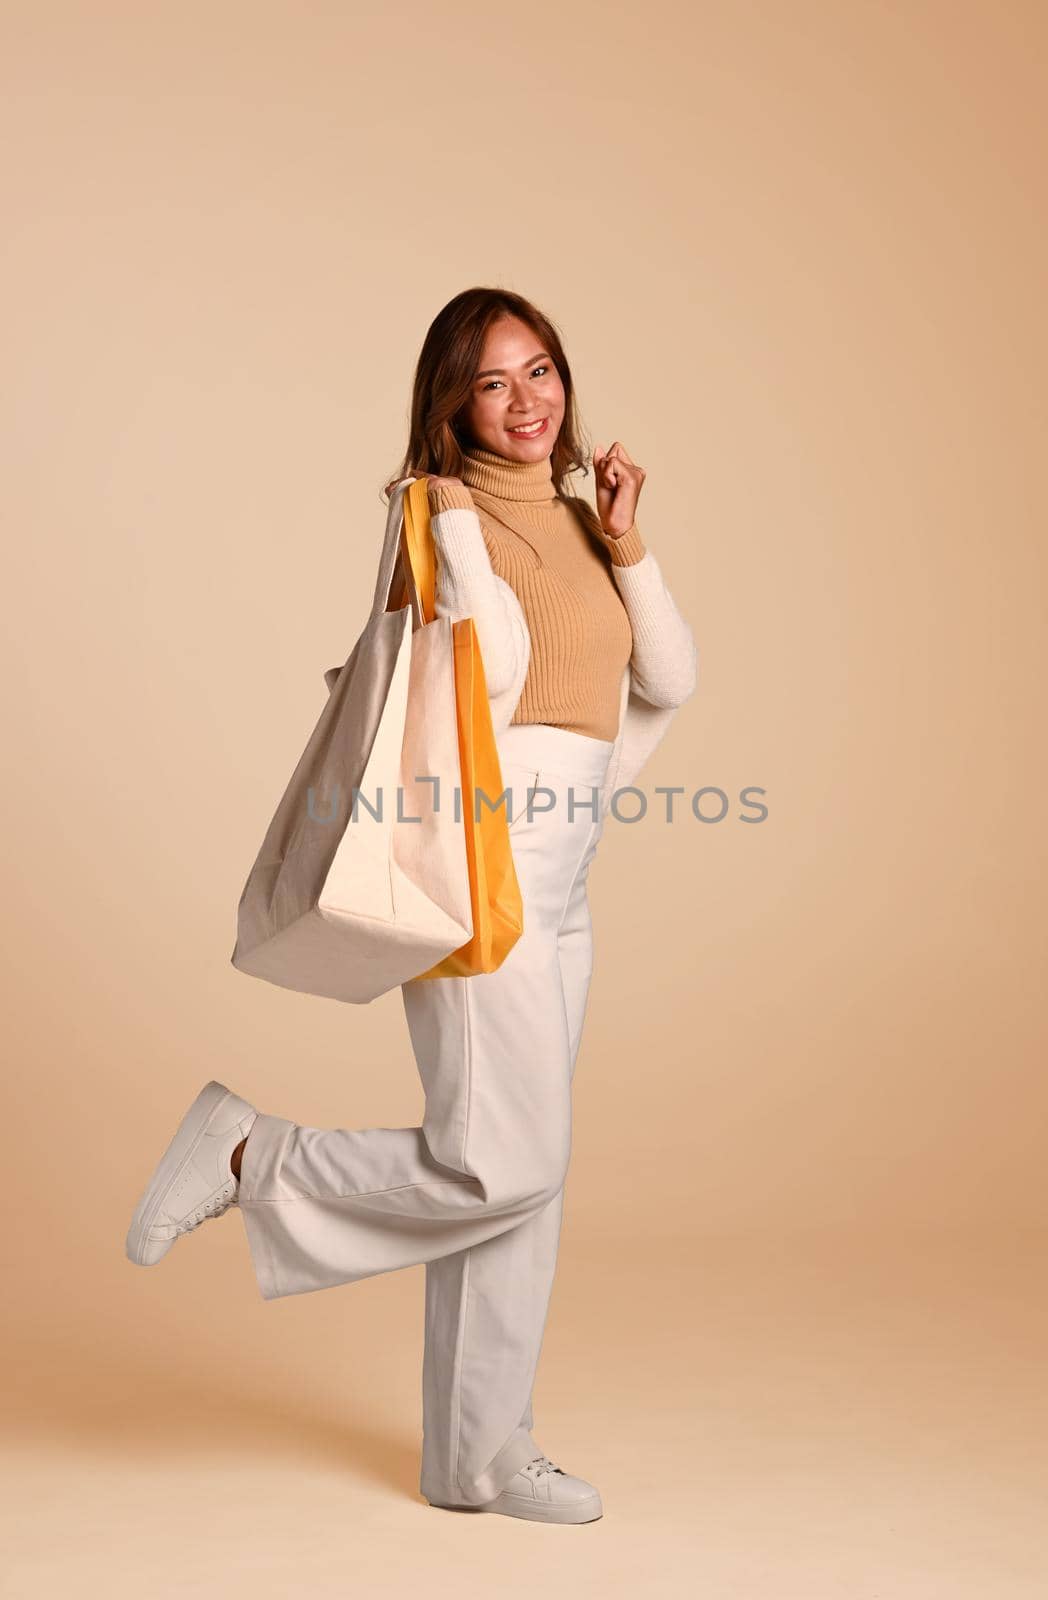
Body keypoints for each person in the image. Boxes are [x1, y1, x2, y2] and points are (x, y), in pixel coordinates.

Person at [125, 288, 698, 1524]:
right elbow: (478, 672)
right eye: (493, 383)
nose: (526, 401)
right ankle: (247, 1151)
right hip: (478, 866)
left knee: (525, 1179)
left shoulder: (580, 521)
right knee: (504, 1158)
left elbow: (669, 673)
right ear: (453, 404)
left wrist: (624, 537)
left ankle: (477, 1453)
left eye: (539, 371)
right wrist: (440, 525)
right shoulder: (437, 513)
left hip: (565, 882)